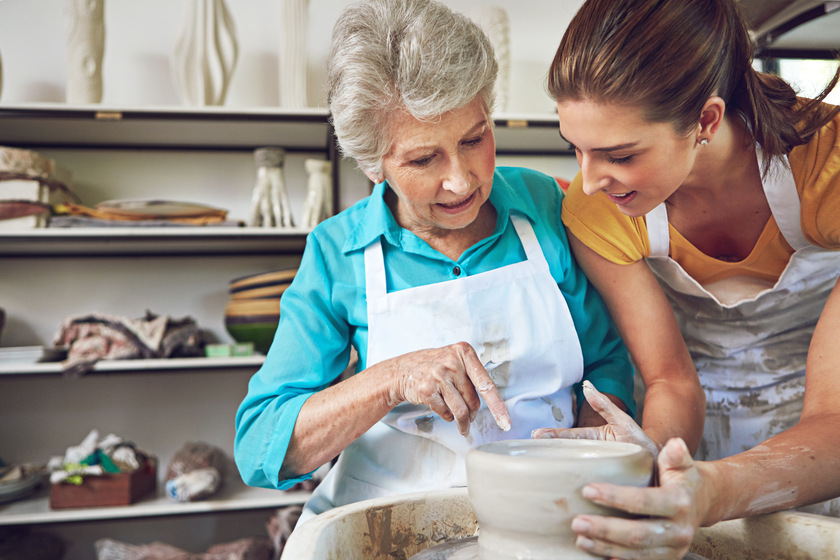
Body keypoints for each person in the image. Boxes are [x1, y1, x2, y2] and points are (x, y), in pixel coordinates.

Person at [234, 0, 644, 525]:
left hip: (546, 512)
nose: (462, 179)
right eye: (424, 159)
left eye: (475, 139)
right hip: (392, 526)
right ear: (373, 162)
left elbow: (607, 360)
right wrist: (392, 380)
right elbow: (260, 446)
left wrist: (590, 444)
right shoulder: (339, 251)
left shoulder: (544, 205)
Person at [537, 0, 840, 557]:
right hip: (693, 435)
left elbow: (834, 416)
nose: (590, 181)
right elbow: (672, 381)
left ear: (705, 119)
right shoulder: (598, 208)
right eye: (574, 149)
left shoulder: (831, 168)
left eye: (620, 155)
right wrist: (656, 466)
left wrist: (713, 490)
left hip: (821, 448)